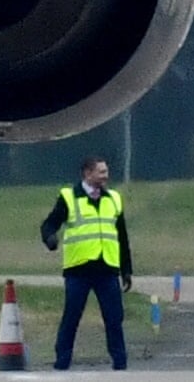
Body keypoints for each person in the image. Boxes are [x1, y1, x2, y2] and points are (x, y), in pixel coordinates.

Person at [40, 154, 133, 371]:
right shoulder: (69, 197)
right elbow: (49, 224)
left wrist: (126, 270)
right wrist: (50, 239)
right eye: (101, 172)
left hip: (107, 268)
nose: (105, 176)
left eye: (106, 172)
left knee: (114, 318)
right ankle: (62, 361)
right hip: (78, 269)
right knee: (72, 317)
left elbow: (122, 237)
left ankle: (120, 362)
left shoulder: (114, 199)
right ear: (87, 174)